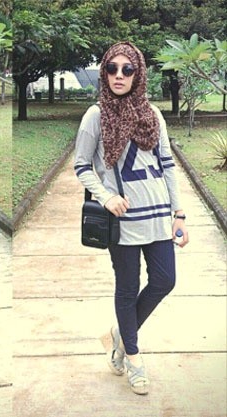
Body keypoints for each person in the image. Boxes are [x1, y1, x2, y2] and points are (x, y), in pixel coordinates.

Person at [74, 41, 189, 395]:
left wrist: (179, 213)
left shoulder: (152, 114)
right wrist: (106, 196)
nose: (119, 75)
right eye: (112, 69)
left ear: (138, 74)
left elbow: (167, 164)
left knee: (164, 280)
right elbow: (81, 166)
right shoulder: (95, 116)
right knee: (126, 287)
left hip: (156, 216)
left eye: (128, 69)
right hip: (122, 220)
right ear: (104, 73)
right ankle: (133, 357)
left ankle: (120, 335)